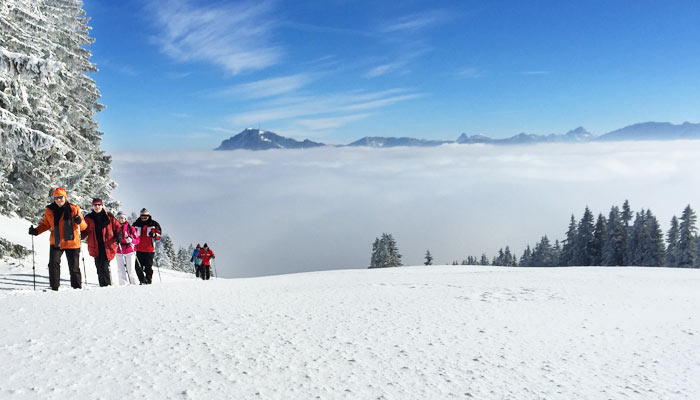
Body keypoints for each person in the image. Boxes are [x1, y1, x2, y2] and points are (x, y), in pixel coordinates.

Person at [28, 187, 87, 291]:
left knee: (74, 267)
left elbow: (83, 226)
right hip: (56, 242)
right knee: (53, 264)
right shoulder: (50, 210)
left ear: (65, 197)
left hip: (72, 242)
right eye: (56, 198)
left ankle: (77, 288)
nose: (59, 200)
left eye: (61, 197)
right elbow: (45, 224)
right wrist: (36, 231)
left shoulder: (74, 209)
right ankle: (54, 287)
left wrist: (79, 221)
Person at [81, 198, 120, 287]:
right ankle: (102, 286)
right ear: (92, 206)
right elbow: (84, 230)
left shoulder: (109, 217)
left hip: (107, 246)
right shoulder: (88, 218)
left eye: (99, 205)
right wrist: (79, 235)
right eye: (95, 205)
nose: (97, 207)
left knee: (104, 267)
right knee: (99, 268)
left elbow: (118, 228)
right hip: (95, 246)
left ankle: (107, 286)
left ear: (102, 205)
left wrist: (119, 237)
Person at [132, 208, 161, 284]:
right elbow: (131, 233)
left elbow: (159, 235)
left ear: (148, 216)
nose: (144, 218)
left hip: (149, 249)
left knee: (148, 267)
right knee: (138, 267)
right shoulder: (136, 224)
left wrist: (154, 235)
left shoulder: (154, 224)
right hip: (138, 249)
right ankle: (142, 280)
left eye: (145, 217)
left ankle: (148, 281)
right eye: (142, 217)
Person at [114, 212, 140, 285]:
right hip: (119, 250)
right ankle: (123, 285)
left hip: (130, 251)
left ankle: (135, 284)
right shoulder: (115, 228)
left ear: (125, 219)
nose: (121, 220)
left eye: (122, 218)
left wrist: (132, 240)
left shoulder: (130, 228)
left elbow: (137, 240)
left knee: (131, 270)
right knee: (121, 270)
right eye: (119, 218)